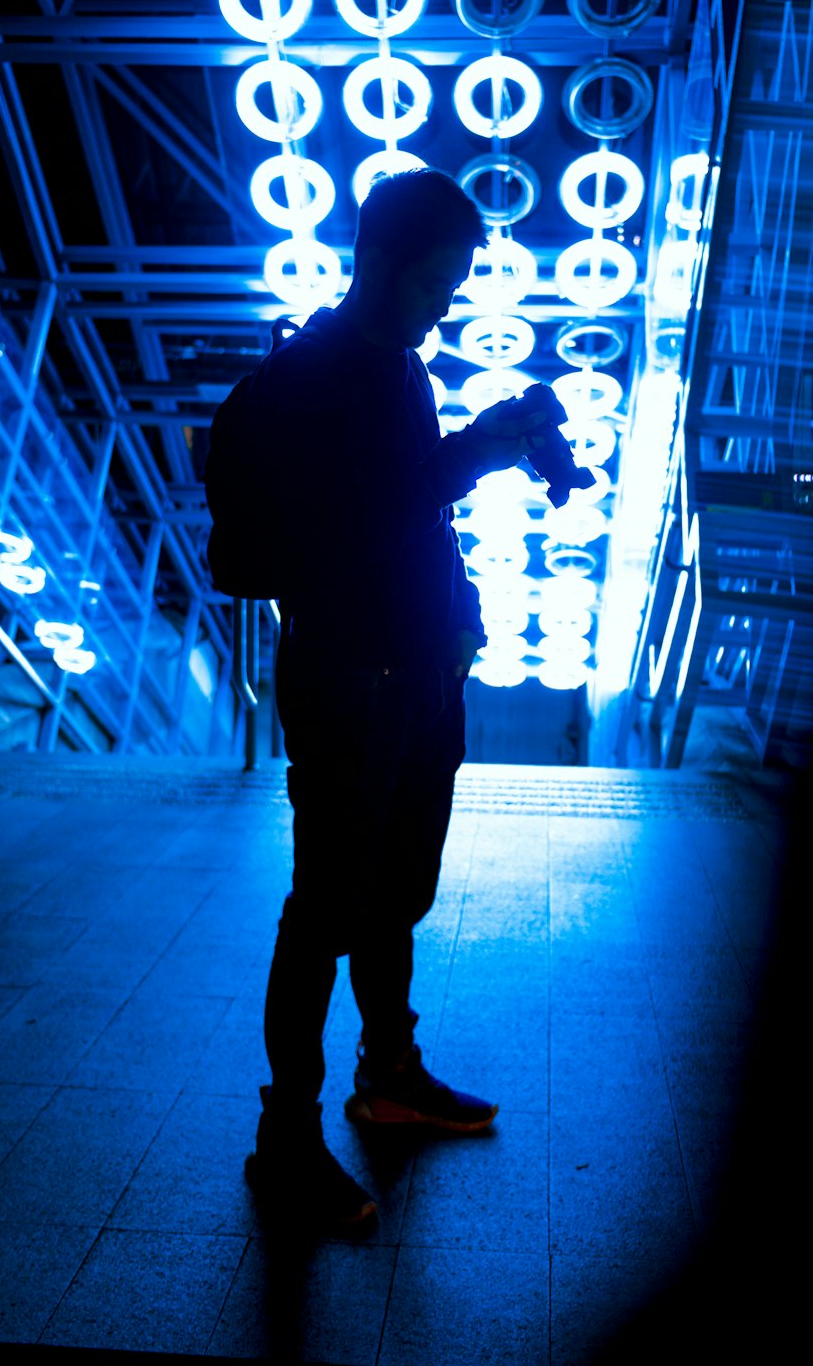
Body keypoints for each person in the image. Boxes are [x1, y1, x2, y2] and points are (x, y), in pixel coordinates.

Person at [241, 168, 547, 1234]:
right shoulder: (322, 375)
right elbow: (353, 533)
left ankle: (390, 1073)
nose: (448, 302)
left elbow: (410, 519)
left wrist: (453, 623)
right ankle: (286, 1139)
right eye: (437, 282)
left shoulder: (395, 366)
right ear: (382, 262)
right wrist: (474, 453)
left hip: (411, 677)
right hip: (349, 684)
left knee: (390, 892)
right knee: (323, 908)